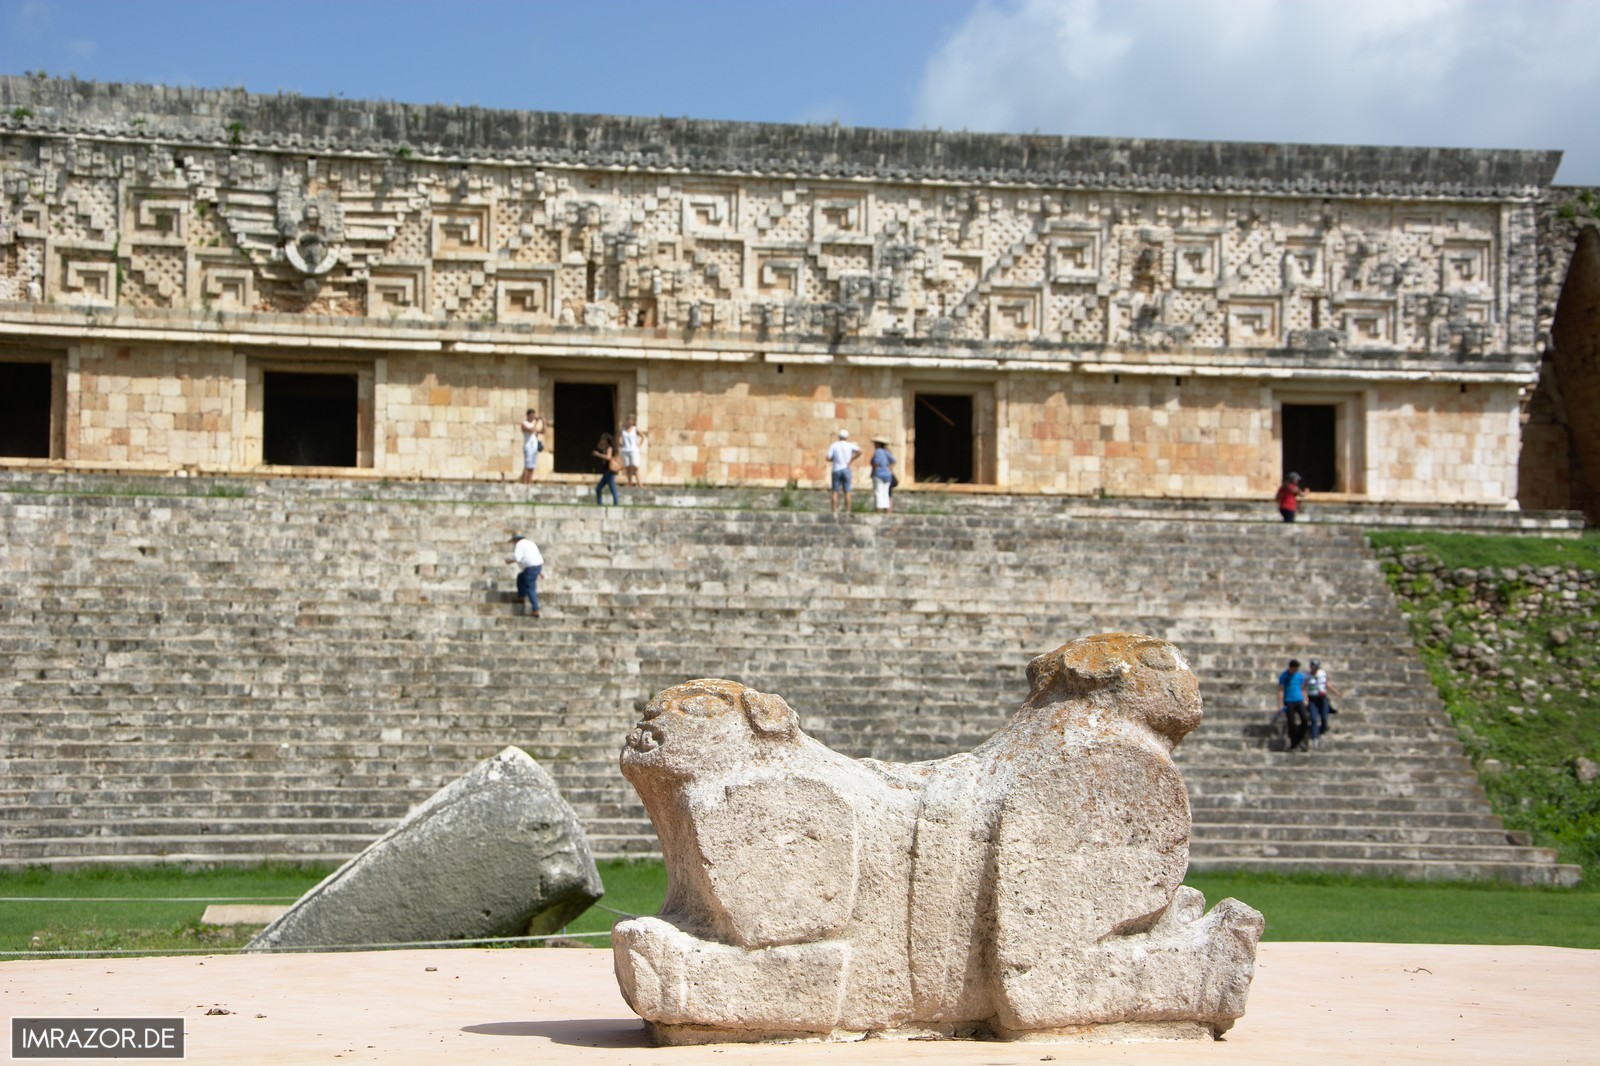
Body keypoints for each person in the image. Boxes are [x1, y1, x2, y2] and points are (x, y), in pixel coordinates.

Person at [1304, 657, 1342, 744]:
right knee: (1314, 718)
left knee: (1324, 717)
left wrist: (1336, 692)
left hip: (1322, 698)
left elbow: (1327, 684)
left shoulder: (1322, 673)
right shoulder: (1306, 676)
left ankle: (1321, 730)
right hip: (1312, 699)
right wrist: (1305, 699)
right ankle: (1315, 736)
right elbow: (1303, 688)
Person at [505, 532, 544, 618]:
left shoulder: (520, 544)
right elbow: (537, 558)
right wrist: (540, 571)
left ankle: (535, 609)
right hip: (537, 566)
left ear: (516, 540)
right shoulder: (530, 543)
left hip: (530, 568)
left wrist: (509, 560)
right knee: (521, 577)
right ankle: (521, 597)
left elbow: (517, 557)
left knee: (530, 588)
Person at [1276, 658, 1311, 752]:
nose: (1295, 670)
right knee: (1291, 722)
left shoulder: (1300, 676)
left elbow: (1302, 688)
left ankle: (1298, 739)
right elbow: (1281, 690)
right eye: (1294, 669)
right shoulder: (1284, 676)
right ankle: (1293, 743)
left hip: (1299, 700)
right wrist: (1280, 704)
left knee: (1305, 720)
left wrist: (1305, 699)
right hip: (1289, 700)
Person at [826, 429, 861, 514]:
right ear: (847, 437)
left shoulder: (834, 445)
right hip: (846, 469)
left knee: (835, 491)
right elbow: (860, 451)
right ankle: (848, 510)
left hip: (836, 469)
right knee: (847, 491)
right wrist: (851, 460)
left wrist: (833, 459)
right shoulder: (850, 445)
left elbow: (828, 458)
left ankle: (834, 511)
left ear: (839, 437)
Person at [869, 436, 895, 514]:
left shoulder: (878, 451)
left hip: (879, 474)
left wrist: (872, 472)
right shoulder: (887, 452)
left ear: (878, 444)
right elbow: (893, 461)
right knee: (885, 493)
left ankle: (878, 511)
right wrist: (888, 468)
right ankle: (886, 511)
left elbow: (876, 463)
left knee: (878, 492)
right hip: (887, 475)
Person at [620, 415, 648, 488]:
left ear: (633, 421)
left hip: (633, 450)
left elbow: (643, 436)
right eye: (628, 419)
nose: (629, 421)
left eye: (631, 420)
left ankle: (640, 483)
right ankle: (629, 483)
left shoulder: (635, 429)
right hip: (625, 450)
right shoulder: (623, 429)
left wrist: (639, 445)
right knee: (628, 467)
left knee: (636, 467)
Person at [518, 409, 545, 485]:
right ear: (528, 415)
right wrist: (536, 422)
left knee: (532, 466)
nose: (533, 417)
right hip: (528, 447)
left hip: (534, 448)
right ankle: (525, 483)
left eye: (534, 415)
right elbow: (531, 430)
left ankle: (529, 483)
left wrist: (543, 422)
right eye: (532, 415)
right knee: (527, 466)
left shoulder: (533, 424)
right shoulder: (524, 424)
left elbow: (543, 431)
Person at [593, 432, 620, 506]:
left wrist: (598, 454)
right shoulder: (605, 447)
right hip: (606, 471)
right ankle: (599, 503)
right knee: (598, 488)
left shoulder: (609, 448)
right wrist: (601, 442)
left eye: (603, 439)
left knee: (612, 488)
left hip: (610, 471)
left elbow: (608, 457)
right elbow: (598, 446)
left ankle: (616, 503)